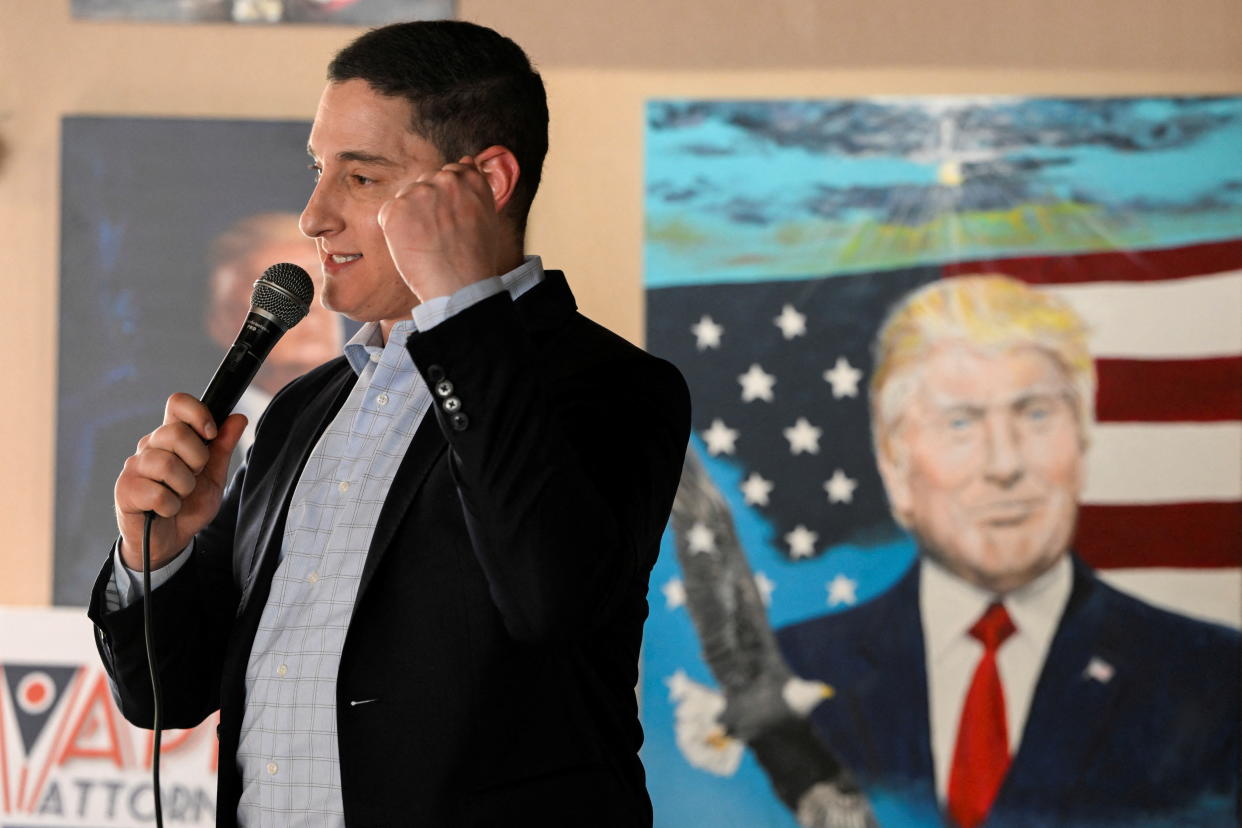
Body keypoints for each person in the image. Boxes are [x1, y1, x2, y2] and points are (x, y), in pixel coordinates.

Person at [87, 20, 690, 828]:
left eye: (361, 178)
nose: (313, 217)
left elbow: (548, 600)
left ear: (486, 182)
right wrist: (151, 556)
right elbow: (167, 694)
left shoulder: (615, 385)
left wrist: (462, 304)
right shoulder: (302, 409)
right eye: (317, 171)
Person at [775, 275, 1239, 826]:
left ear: (1083, 441)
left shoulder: (1217, 682)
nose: (1004, 464)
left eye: (1036, 415)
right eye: (961, 423)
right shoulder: (787, 679)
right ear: (894, 464)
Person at [204, 212, 344, 455]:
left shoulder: (383, 416)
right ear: (219, 323)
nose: (311, 308)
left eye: (318, 282)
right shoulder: (148, 440)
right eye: (276, 294)